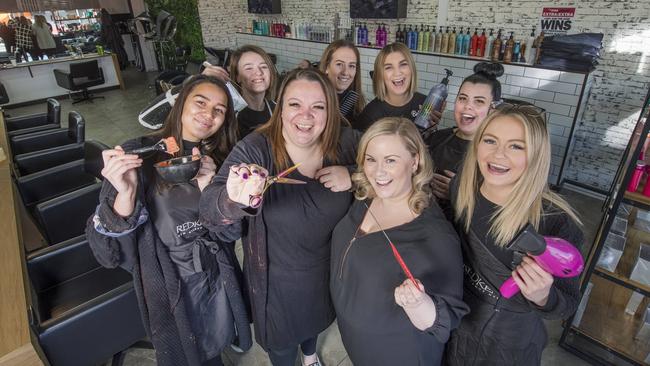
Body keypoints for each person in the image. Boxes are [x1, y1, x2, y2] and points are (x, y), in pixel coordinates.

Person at [86, 75, 250, 366]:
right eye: (201, 102)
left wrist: (212, 191)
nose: (208, 114)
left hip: (214, 276)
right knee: (184, 352)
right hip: (167, 279)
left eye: (219, 110)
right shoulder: (140, 152)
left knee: (214, 347)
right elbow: (107, 254)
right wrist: (125, 193)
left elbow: (230, 235)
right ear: (181, 103)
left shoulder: (220, 160)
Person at [199, 68, 359, 366]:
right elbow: (210, 209)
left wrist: (354, 175)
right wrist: (235, 198)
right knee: (284, 349)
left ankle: (310, 358)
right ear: (281, 108)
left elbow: (398, 167)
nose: (306, 116)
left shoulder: (346, 143)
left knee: (315, 325)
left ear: (331, 112)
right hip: (277, 285)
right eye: (295, 104)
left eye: (318, 106)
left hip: (327, 272)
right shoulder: (257, 148)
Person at [445, 103, 583, 365]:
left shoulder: (556, 221)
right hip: (453, 318)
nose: (498, 155)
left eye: (516, 146)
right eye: (490, 140)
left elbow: (567, 304)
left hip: (505, 345)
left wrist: (542, 296)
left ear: (536, 155)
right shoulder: (461, 188)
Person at [330, 117, 468, 365]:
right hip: (355, 340)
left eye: (391, 160)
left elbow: (442, 322)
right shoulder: (364, 199)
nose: (378, 171)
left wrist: (418, 304)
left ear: (414, 161)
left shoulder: (435, 235)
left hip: (396, 352)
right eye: (371, 159)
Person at [427, 62, 504, 217]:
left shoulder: (497, 156)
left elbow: (498, 210)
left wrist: (457, 195)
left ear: (492, 109)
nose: (467, 107)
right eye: (463, 98)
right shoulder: (438, 137)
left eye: (479, 101)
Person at [355, 42, 436, 132]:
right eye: (388, 67)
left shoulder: (425, 102)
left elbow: (431, 142)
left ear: (412, 69)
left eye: (403, 64)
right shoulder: (370, 114)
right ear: (380, 75)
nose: (397, 73)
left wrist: (432, 128)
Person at [227, 45, 278, 138]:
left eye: (263, 66)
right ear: (238, 77)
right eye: (249, 68)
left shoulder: (277, 110)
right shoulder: (230, 115)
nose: (259, 72)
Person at [318, 40, 366, 125]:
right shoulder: (315, 100)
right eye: (339, 64)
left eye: (351, 66)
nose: (345, 72)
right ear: (327, 67)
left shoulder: (357, 101)